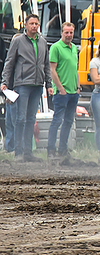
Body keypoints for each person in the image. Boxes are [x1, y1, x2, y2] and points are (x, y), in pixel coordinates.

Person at [1, 14, 54, 162]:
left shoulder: (43, 42)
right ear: (25, 25)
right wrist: (5, 81)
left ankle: (28, 152)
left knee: (31, 118)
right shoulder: (18, 41)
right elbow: (9, 62)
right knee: (20, 118)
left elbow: (46, 65)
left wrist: (48, 84)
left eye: (36, 23)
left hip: (37, 85)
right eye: (31, 23)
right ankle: (18, 152)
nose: (34, 26)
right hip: (22, 84)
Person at [47, 22, 80, 158]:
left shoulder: (74, 48)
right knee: (57, 121)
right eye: (66, 32)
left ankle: (63, 149)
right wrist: (60, 89)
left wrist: (78, 88)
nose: (69, 35)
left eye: (71, 32)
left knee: (68, 121)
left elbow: (75, 69)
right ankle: (50, 150)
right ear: (61, 33)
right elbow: (52, 70)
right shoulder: (56, 47)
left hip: (73, 92)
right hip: (62, 92)